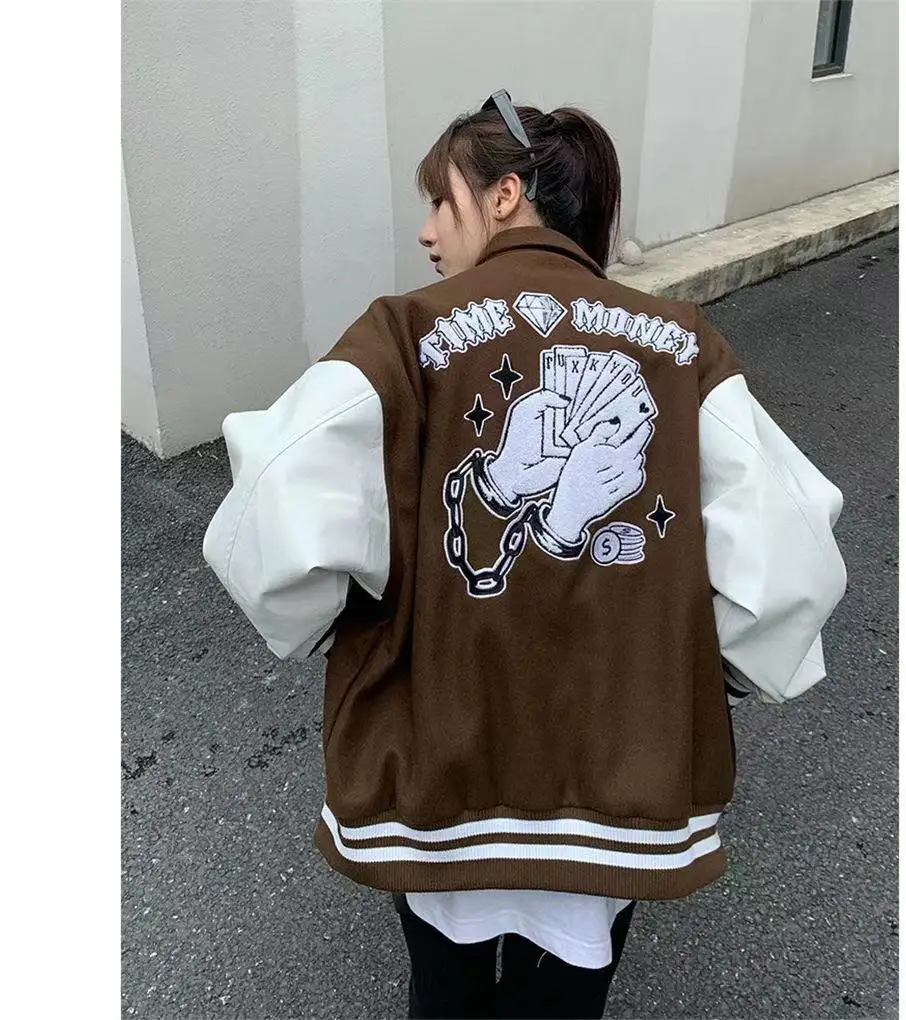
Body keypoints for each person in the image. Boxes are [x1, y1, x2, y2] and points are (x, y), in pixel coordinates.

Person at [203, 89, 847, 1019]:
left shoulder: (401, 334)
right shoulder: (686, 348)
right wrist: (711, 672)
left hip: (440, 784)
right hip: (621, 787)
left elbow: (275, 511)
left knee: (447, 998)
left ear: (505, 196)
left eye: (441, 198)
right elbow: (788, 560)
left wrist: (327, 620)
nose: (427, 229)